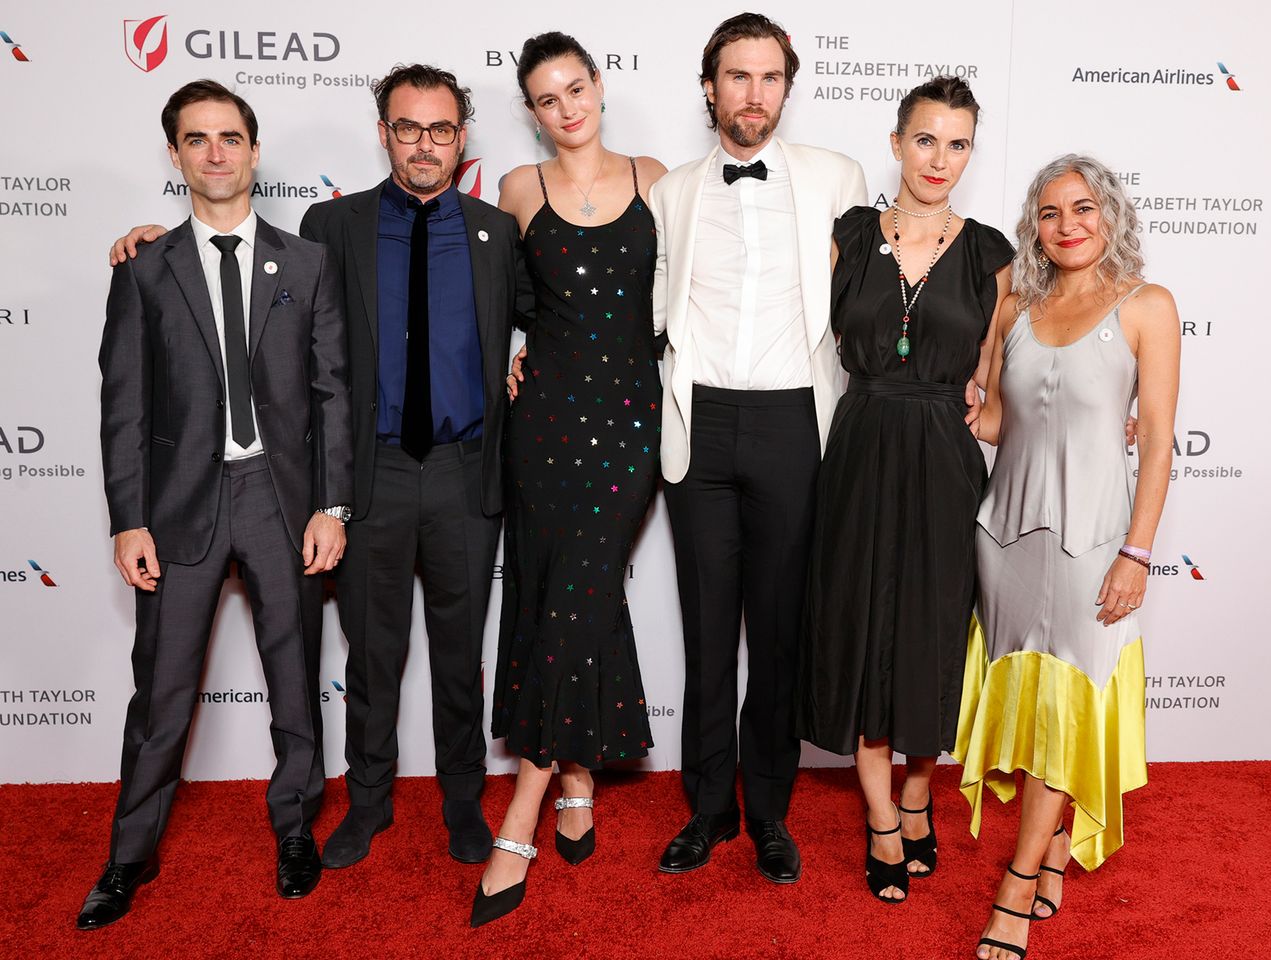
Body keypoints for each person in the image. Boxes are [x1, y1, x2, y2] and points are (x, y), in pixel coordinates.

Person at [111, 65, 537, 869]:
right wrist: (144, 242)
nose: (423, 144)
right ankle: (368, 802)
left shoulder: (494, 231)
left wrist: (535, 362)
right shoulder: (329, 226)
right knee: (372, 657)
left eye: (440, 129)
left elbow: (545, 316)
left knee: (460, 654)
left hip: (463, 472)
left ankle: (460, 802)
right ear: (383, 134)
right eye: (407, 127)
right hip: (365, 475)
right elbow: (239, 272)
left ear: (461, 139)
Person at [79, 80, 352, 930]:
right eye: (197, 140)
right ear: (175, 155)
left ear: (255, 149)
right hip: (177, 509)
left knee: (295, 681)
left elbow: (332, 392)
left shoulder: (305, 263)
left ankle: (295, 831)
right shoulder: (146, 269)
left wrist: (331, 506)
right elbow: (122, 404)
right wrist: (128, 518)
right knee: (159, 693)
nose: (216, 154)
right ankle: (128, 858)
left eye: (231, 138)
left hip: (282, 500)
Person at [648, 13, 867, 885]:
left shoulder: (838, 179)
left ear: (787, 86)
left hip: (793, 421)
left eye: (770, 77)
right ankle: (708, 811)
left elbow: (891, 288)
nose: (754, 94)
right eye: (737, 77)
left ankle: (770, 811)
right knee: (707, 631)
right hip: (696, 422)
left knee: (776, 631)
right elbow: (651, 311)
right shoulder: (672, 192)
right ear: (710, 87)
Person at [794, 77, 1013, 904]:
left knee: (930, 627)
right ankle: (882, 815)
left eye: (958, 144)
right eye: (926, 140)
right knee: (860, 627)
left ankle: (919, 792)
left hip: (946, 462)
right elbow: (776, 321)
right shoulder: (847, 233)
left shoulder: (993, 254)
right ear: (896, 143)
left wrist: (1116, 417)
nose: (940, 160)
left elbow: (1005, 380)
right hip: (859, 446)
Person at [956, 154, 1179, 960]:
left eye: (1084, 208)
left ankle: (1016, 883)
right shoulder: (1012, 301)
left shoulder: (1147, 306)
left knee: (1069, 704)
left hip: (1094, 543)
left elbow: (1154, 440)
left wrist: (1138, 552)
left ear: (1110, 214)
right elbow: (989, 422)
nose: (1069, 224)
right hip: (1004, 537)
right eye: (1051, 214)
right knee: (1026, 701)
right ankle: (1049, 846)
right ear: (1035, 228)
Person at [468, 31, 667, 928]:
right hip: (541, 419)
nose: (567, 108)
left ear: (599, 87)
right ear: (533, 110)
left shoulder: (658, 178)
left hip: (630, 419)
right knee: (563, 593)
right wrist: (509, 357)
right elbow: (487, 299)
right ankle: (579, 771)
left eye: (577, 88)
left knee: (580, 586)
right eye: (547, 99)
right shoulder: (516, 191)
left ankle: (520, 810)